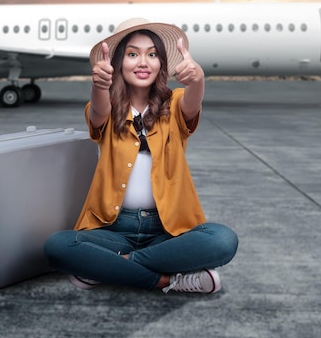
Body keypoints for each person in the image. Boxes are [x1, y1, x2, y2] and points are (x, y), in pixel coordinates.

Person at [44, 17, 238, 294]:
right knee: (58, 246)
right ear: (119, 62)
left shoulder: (174, 104)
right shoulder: (108, 108)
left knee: (222, 240)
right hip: (114, 230)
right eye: (133, 54)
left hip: (167, 231)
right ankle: (167, 280)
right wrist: (99, 86)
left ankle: (113, 267)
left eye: (152, 54)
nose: (143, 62)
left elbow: (193, 102)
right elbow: (99, 111)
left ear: (161, 64)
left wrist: (198, 80)